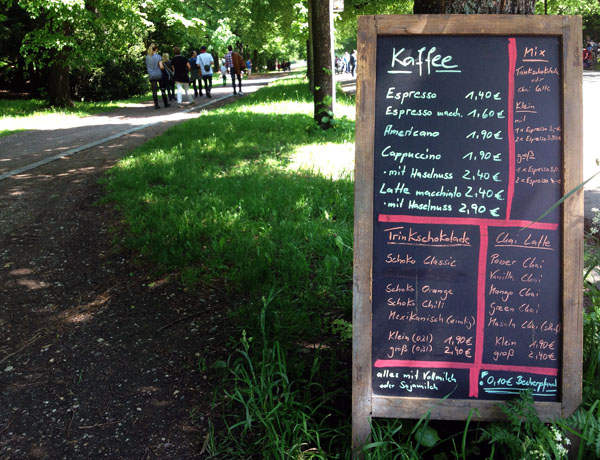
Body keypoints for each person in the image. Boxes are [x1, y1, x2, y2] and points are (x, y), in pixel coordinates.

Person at [145, 43, 170, 109]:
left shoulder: (147, 57)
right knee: (162, 89)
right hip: (159, 74)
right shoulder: (158, 56)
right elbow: (161, 67)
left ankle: (156, 105)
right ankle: (166, 103)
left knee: (154, 90)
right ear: (156, 49)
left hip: (152, 75)